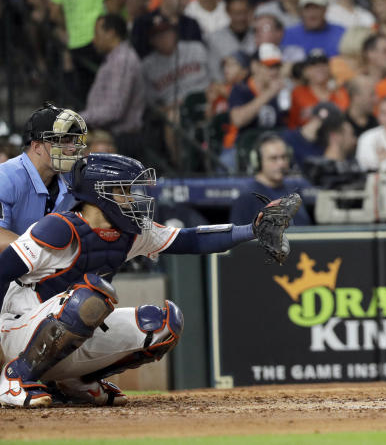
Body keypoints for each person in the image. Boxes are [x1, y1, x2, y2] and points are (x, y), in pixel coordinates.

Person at [0, 153, 298, 407]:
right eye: (124, 190)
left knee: (162, 325)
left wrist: (251, 229)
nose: (132, 198)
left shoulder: (130, 232)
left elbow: (189, 240)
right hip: (19, 328)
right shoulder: (58, 229)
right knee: (89, 298)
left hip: (68, 327)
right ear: (97, 194)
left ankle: (76, 381)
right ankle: (16, 378)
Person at [50, 0, 123, 104]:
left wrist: (69, 26)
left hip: (76, 43)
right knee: (107, 97)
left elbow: (54, 13)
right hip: (101, 41)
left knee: (86, 98)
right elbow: (112, 6)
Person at [0, 104, 87, 248]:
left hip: (46, 268)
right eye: (64, 141)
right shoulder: (5, 177)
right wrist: (41, 250)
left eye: (73, 141)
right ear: (37, 147)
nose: (72, 148)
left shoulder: (73, 179)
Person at [80, 14, 146, 158]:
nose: (94, 39)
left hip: (121, 140)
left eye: (97, 33)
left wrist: (79, 118)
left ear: (111, 33)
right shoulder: (113, 59)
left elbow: (114, 110)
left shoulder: (123, 60)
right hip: (110, 136)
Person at [229, 133, 312, 226]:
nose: (281, 163)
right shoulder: (247, 196)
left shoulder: (294, 189)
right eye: (273, 158)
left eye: (284, 157)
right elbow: (239, 236)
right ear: (258, 161)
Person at [281, 0, 346, 63]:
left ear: (325, 9)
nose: (312, 14)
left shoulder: (341, 33)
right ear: (300, 11)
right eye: (307, 8)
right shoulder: (288, 35)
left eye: (316, 8)